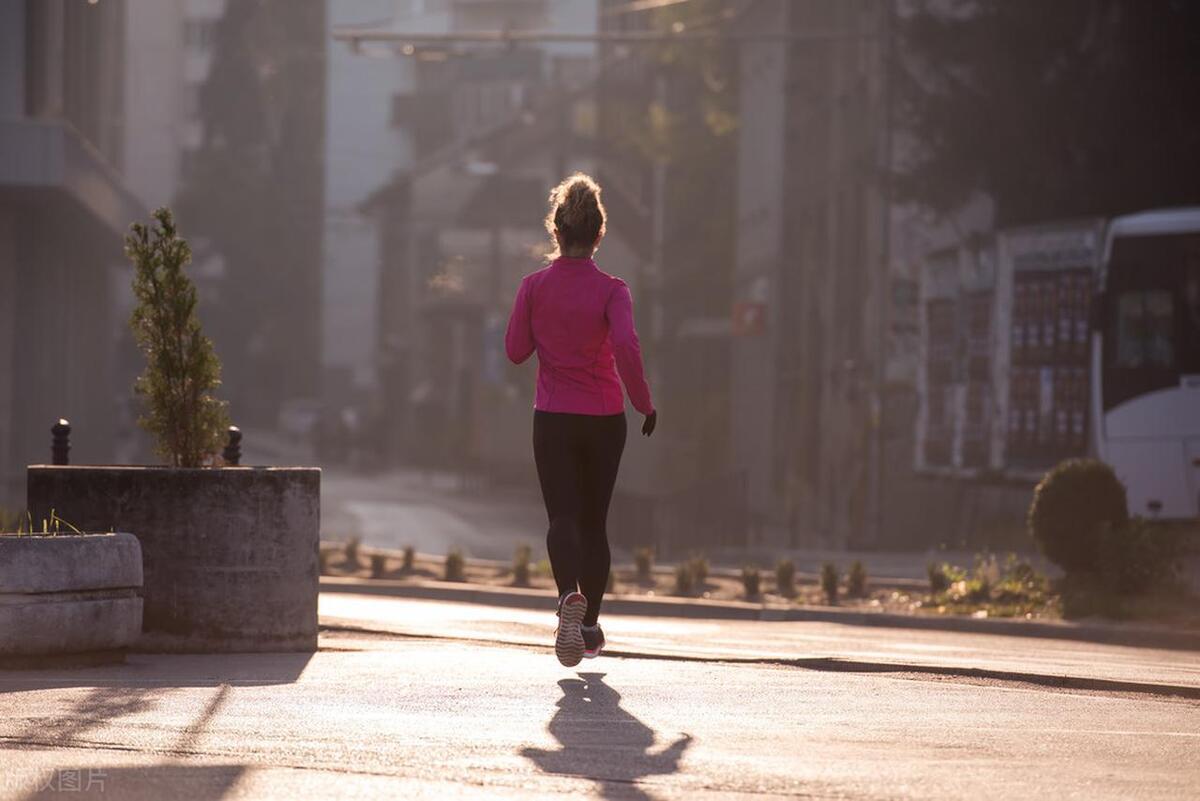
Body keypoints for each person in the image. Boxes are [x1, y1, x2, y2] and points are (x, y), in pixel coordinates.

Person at [505, 173, 657, 667]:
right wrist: (644, 403)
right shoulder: (614, 290)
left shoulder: (533, 287)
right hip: (605, 417)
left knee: (562, 517)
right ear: (598, 234)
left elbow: (514, 351)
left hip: (552, 417)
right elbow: (625, 346)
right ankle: (589, 626)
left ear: (557, 230)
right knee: (595, 523)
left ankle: (567, 595)